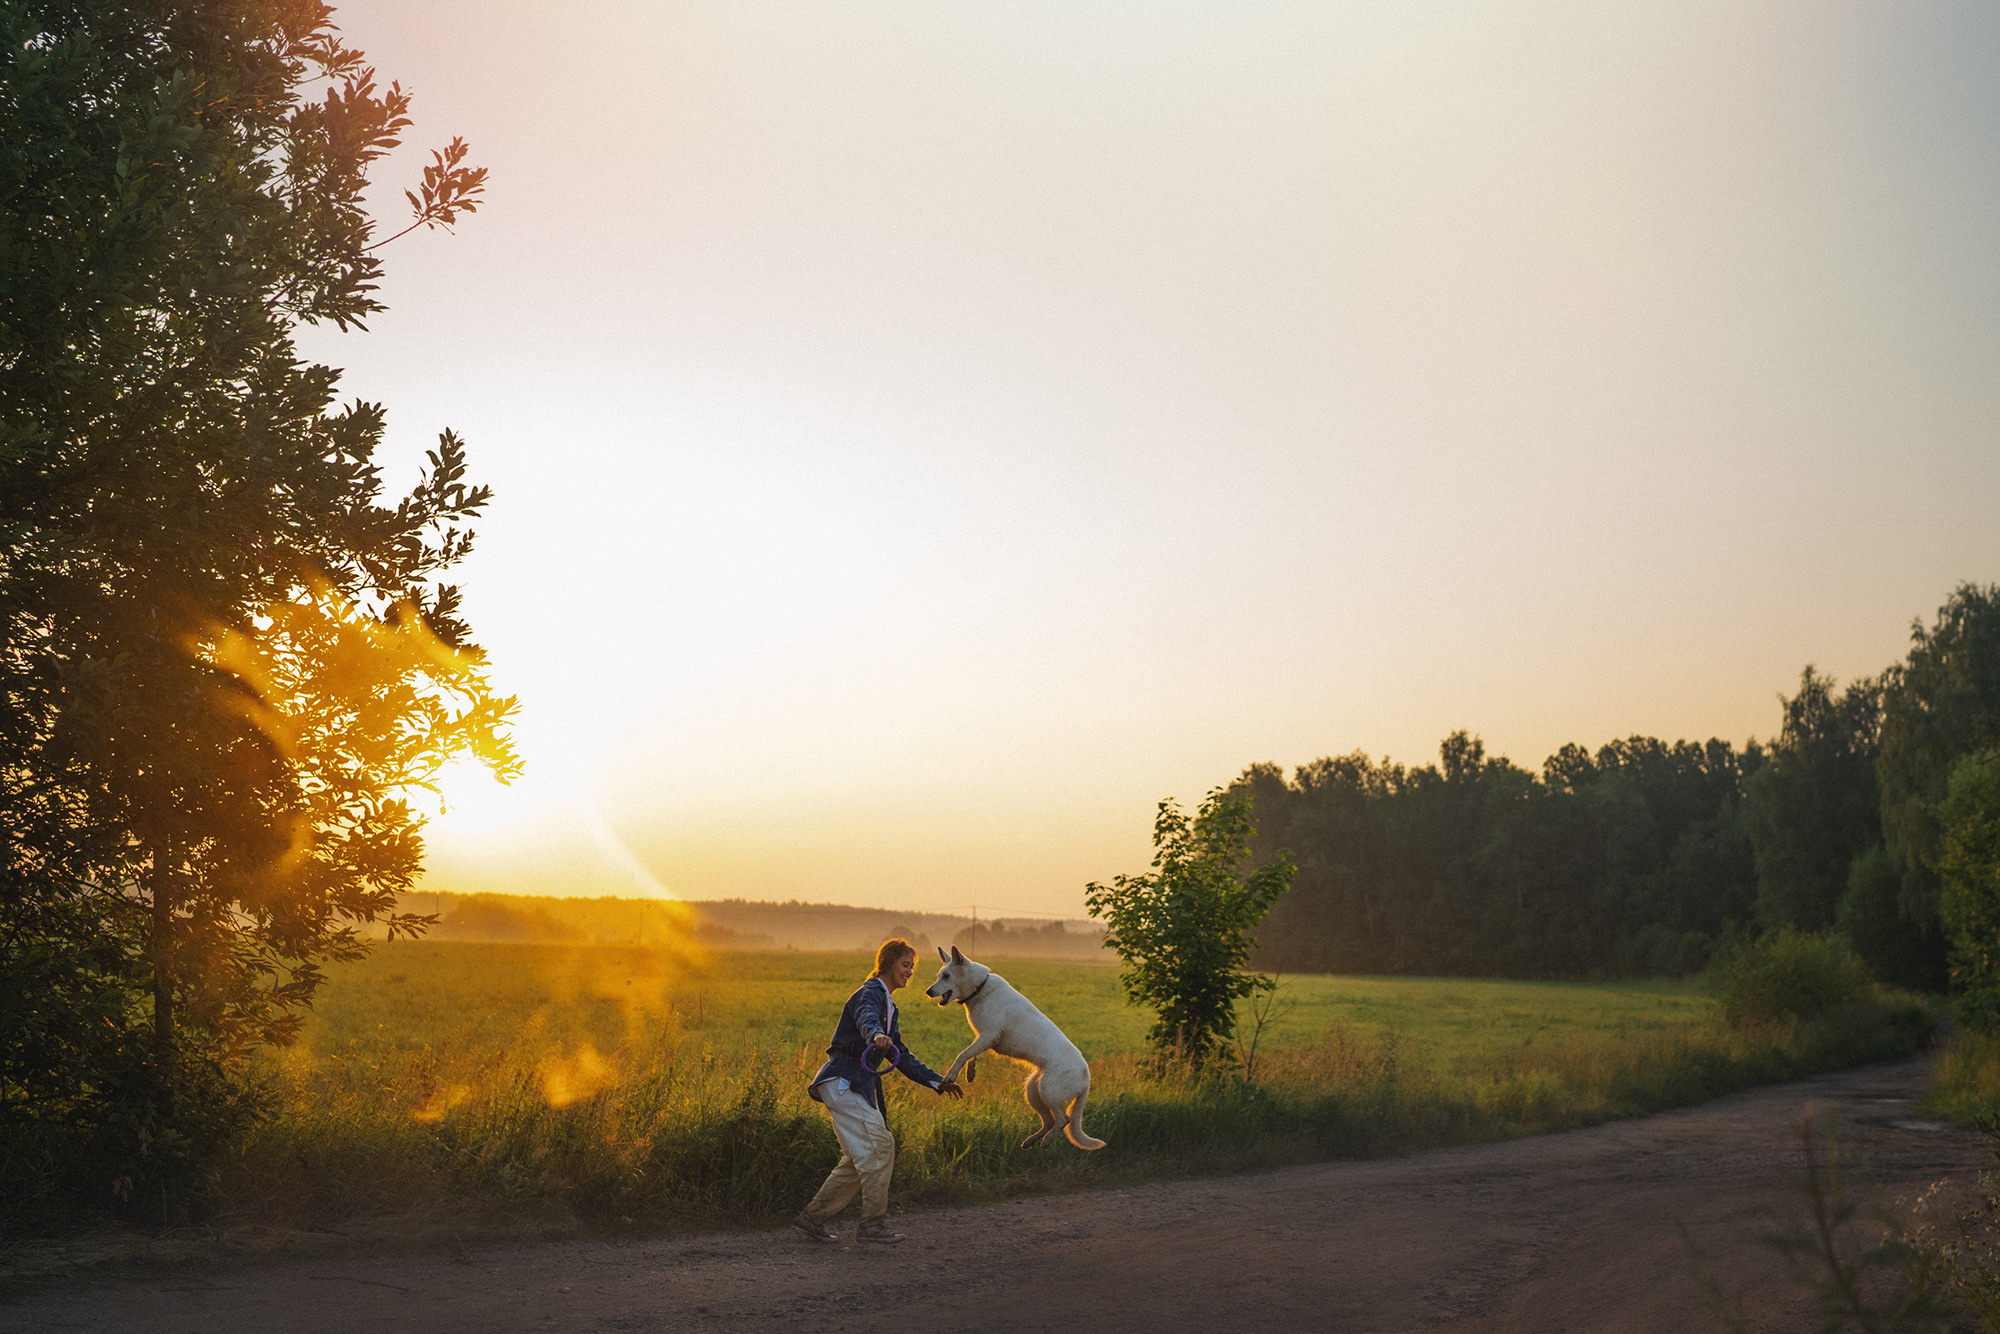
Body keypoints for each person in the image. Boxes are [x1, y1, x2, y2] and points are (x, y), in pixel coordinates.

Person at [794, 938, 963, 1244]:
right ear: (888, 963)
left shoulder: (890, 1006)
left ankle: (812, 1218)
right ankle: (871, 1225)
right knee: (881, 1146)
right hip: (843, 1081)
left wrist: (938, 1082)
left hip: (850, 1085)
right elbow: (866, 1018)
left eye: (912, 966)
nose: (910, 972)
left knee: (857, 1159)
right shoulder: (871, 992)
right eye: (905, 965)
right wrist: (875, 1034)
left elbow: (902, 1055)